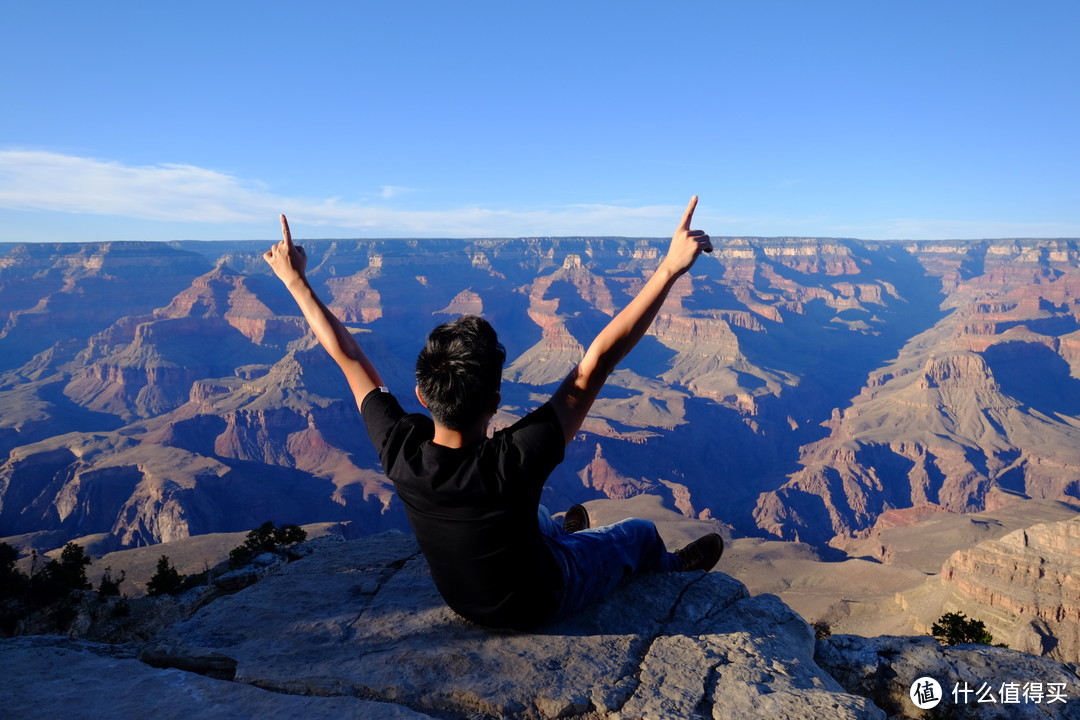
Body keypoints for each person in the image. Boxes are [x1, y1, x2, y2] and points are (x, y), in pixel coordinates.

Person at [264, 197, 724, 631]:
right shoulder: (516, 459)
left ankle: (561, 536)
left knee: (539, 513)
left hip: (462, 601)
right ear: (496, 402)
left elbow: (350, 360)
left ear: (422, 396)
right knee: (639, 534)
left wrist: (295, 282)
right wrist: (668, 269)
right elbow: (596, 364)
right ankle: (668, 569)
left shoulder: (400, 449)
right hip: (541, 600)